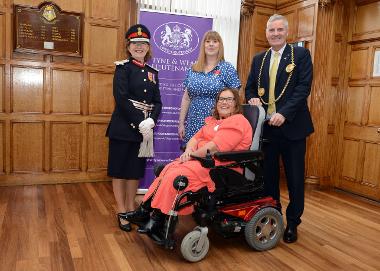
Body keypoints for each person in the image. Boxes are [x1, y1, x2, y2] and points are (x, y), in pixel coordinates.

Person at [126, 88, 252, 237]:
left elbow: (214, 148)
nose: (224, 102)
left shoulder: (238, 121)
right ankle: (146, 212)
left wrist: (191, 154)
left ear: (236, 103)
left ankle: (157, 220)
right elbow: (195, 138)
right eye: (220, 99)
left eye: (229, 99)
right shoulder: (213, 122)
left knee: (177, 176)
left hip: (223, 168)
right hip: (203, 162)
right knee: (168, 170)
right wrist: (189, 151)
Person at [245, 14, 314, 243]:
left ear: (286, 32)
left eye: (279, 30)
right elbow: (250, 88)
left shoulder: (301, 55)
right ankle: (274, 217)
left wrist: (284, 113)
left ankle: (293, 223)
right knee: (269, 179)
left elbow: (303, 88)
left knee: (294, 179)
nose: (275, 34)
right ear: (266, 33)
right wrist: (253, 98)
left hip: (293, 128)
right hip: (267, 130)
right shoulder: (258, 59)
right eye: (271, 30)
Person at [106, 24, 162, 232]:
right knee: (120, 171)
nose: (139, 46)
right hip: (124, 127)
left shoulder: (152, 72)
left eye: (143, 43)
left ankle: (131, 207)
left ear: (148, 47)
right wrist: (140, 121)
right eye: (135, 43)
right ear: (128, 47)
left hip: (145, 130)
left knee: (134, 171)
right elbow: (121, 99)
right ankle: (122, 211)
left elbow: (158, 102)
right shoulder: (123, 69)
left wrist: (152, 121)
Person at [178, 31, 241, 145]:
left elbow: (236, 97)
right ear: (203, 45)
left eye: (215, 41)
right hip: (193, 122)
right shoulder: (193, 68)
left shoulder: (227, 68)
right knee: (191, 155)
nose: (211, 44)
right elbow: (186, 98)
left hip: (217, 122)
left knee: (210, 157)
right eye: (208, 41)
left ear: (220, 45)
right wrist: (181, 123)